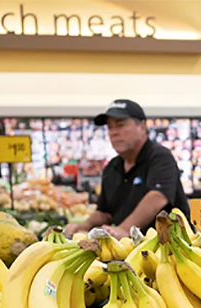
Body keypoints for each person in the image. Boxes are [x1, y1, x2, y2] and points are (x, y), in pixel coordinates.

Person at [64, 100, 190, 239]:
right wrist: (83, 227)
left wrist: (123, 230)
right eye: (110, 127)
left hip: (169, 247)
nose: (114, 133)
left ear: (142, 126)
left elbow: (157, 197)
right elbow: (105, 213)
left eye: (120, 125)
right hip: (128, 251)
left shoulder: (160, 157)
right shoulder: (112, 167)